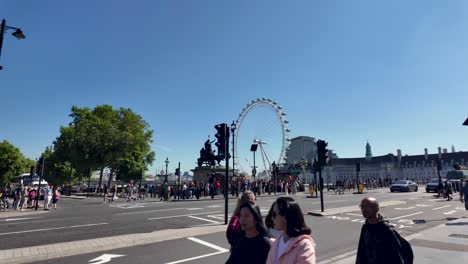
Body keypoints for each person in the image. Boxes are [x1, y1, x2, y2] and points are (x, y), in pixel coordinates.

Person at [266, 197, 316, 264]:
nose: (272, 218)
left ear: (285, 217)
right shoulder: (277, 243)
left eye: (274, 214)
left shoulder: (304, 246)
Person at [356, 197, 405, 264]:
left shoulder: (387, 229)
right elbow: (361, 251)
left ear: (377, 209)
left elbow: (397, 257)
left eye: (368, 206)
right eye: (362, 206)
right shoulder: (365, 228)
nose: (364, 209)